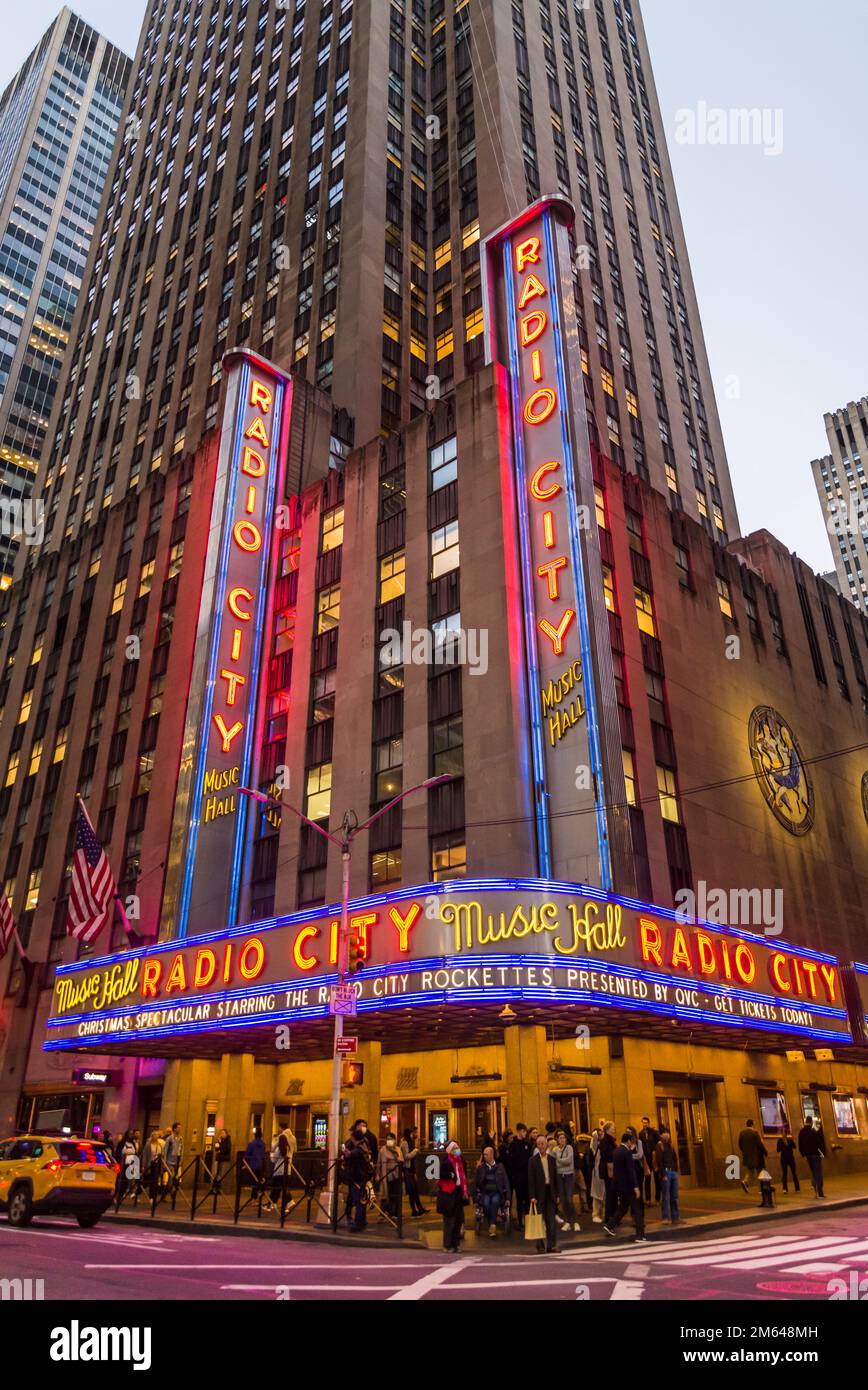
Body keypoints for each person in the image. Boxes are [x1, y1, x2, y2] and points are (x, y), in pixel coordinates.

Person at [604, 1133, 646, 1241]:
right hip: (629, 1186)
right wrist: (636, 1187)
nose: (632, 1143)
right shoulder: (627, 1152)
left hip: (619, 1185)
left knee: (622, 1208)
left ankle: (609, 1225)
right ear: (628, 1141)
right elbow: (630, 1171)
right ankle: (640, 1234)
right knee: (637, 1209)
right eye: (631, 1141)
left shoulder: (616, 1151)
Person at [527, 1133, 560, 1254]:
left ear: (547, 1145)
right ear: (537, 1145)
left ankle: (552, 1245)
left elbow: (555, 1179)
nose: (541, 1146)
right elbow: (530, 1180)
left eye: (543, 1144)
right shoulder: (532, 1161)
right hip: (538, 1194)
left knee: (551, 1220)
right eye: (539, 1144)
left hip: (550, 1192)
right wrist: (532, 1196)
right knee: (539, 1221)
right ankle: (540, 1246)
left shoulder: (552, 1160)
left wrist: (557, 1195)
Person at [437, 1140, 469, 1252]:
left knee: (458, 1220)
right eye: (455, 1148)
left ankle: (456, 1244)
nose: (457, 1150)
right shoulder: (446, 1162)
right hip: (449, 1194)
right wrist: (449, 1175)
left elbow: (464, 1176)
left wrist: (465, 1190)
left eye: (458, 1147)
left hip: (459, 1192)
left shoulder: (461, 1161)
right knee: (449, 1220)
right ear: (450, 1151)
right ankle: (447, 1245)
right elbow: (439, 1175)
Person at [475, 1144, 510, 1236]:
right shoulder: (481, 1167)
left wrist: (508, 1197)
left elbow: (506, 1182)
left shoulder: (500, 1167)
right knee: (486, 1204)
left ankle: (492, 1225)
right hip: (485, 1192)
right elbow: (477, 1183)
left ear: (491, 1155)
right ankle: (492, 1224)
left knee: (495, 1202)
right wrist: (477, 1170)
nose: (484, 1156)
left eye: (486, 1154)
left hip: (497, 1192)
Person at [344, 1130, 375, 1231]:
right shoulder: (364, 1146)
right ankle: (362, 1222)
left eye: (352, 1138)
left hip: (357, 1177)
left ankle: (358, 1224)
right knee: (361, 1200)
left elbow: (350, 1156)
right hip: (363, 1177)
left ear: (355, 1138)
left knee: (358, 1201)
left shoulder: (358, 1149)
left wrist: (346, 1153)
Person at [508, 1124, 533, 1229]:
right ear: (518, 1131)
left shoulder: (528, 1144)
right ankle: (520, 1221)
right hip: (518, 1176)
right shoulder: (513, 1145)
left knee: (528, 1199)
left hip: (527, 1176)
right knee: (519, 1199)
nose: (525, 1133)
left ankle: (528, 1219)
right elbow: (511, 1161)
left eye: (525, 1131)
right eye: (523, 1131)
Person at [554, 1128, 579, 1230]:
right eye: (560, 1138)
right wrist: (560, 1162)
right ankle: (568, 1221)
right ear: (557, 1140)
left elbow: (569, 1161)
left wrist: (558, 1160)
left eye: (564, 1138)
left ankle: (576, 1221)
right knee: (563, 1200)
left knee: (569, 1199)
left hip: (569, 1175)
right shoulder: (555, 1149)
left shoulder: (569, 1148)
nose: (562, 1139)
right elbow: (553, 1162)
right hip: (559, 1176)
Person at [375, 1133, 403, 1220]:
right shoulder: (383, 1150)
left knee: (396, 1194)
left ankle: (394, 1213)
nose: (389, 1140)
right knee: (385, 1194)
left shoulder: (398, 1149)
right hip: (386, 1175)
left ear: (394, 1140)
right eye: (388, 1139)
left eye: (391, 1138)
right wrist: (377, 1174)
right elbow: (379, 1163)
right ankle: (383, 1213)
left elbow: (402, 1160)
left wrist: (398, 1159)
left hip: (396, 1175)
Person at [654, 1127, 679, 1223]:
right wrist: (663, 1174)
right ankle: (665, 1217)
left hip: (673, 1172)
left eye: (667, 1133)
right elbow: (659, 1161)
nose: (666, 1134)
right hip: (666, 1172)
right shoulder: (659, 1145)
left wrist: (676, 1170)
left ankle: (675, 1216)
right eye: (664, 1133)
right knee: (666, 1196)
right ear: (661, 1135)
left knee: (675, 1196)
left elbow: (675, 1158)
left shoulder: (671, 1145)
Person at [270, 1121, 297, 1208]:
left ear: (281, 1128)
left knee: (277, 1185)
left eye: (278, 1127)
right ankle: (273, 1203)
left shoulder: (282, 1137)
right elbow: (295, 1150)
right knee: (281, 1185)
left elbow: (278, 1151)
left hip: (280, 1165)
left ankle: (288, 1201)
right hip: (288, 1164)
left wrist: (272, 1155)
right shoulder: (293, 1137)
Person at [400, 1127, 426, 1217]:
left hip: (411, 1170)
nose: (413, 1134)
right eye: (411, 1133)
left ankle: (420, 1209)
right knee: (412, 1191)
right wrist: (415, 1151)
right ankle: (414, 1211)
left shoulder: (410, 1142)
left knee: (415, 1191)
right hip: (407, 1170)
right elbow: (406, 1156)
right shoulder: (404, 1143)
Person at [798, 1118, 826, 1198]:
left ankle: (815, 1191)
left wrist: (803, 1154)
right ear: (811, 1122)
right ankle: (820, 1192)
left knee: (813, 1172)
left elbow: (800, 1145)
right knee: (818, 1173)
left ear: (805, 1122)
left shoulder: (801, 1132)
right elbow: (818, 1143)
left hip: (808, 1155)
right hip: (815, 1154)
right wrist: (822, 1152)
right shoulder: (813, 1131)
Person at [738, 1119, 767, 1193]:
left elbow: (740, 1144)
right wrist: (765, 1152)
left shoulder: (742, 1133)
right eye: (754, 1124)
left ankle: (745, 1181)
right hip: (756, 1156)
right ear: (751, 1124)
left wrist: (745, 1151)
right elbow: (759, 1144)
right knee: (759, 1172)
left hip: (747, 1156)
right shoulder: (755, 1132)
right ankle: (761, 1189)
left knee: (750, 1171)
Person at [598, 1120, 618, 1226]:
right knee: (610, 1193)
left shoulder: (610, 1139)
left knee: (612, 1193)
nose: (614, 1129)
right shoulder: (605, 1140)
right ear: (607, 1129)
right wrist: (616, 1153)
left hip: (609, 1169)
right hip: (608, 1169)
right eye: (612, 1127)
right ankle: (609, 1217)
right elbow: (605, 1154)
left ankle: (612, 1216)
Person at [638, 1116, 661, 1204]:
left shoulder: (654, 1132)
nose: (645, 1124)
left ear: (648, 1123)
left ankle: (657, 1199)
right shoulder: (640, 1133)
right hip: (646, 1158)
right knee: (647, 1178)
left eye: (646, 1123)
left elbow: (658, 1143)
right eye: (643, 1123)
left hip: (654, 1158)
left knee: (656, 1179)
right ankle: (648, 1199)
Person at [244, 1126, 269, 1207]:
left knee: (254, 1182)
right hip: (260, 1164)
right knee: (258, 1181)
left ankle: (254, 1198)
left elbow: (247, 1154)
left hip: (253, 1165)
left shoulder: (251, 1143)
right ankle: (257, 1197)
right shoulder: (263, 1143)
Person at [141, 1128, 165, 1198]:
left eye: (157, 1135)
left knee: (155, 1181)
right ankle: (138, 1191)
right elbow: (145, 1155)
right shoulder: (148, 1145)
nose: (156, 1136)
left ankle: (152, 1197)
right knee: (147, 1181)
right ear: (152, 1136)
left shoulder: (160, 1145)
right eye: (154, 1135)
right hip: (149, 1165)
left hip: (157, 1165)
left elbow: (162, 1155)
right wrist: (143, 1166)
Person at [776, 1127, 800, 1193]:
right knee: (784, 1173)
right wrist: (784, 1145)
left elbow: (794, 1146)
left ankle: (797, 1188)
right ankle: (785, 1188)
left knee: (794, 1173)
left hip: (790, 1157)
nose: (783, 1134)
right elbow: (778, 1150)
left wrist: (789, 1144)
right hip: (784, 1158)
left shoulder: (789, 1139)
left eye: (784, 1133)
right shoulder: (780, 1141)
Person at [163, 1122, 184, 1192]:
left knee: (175, 1176)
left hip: (177, 1161)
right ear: (174, 1129)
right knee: (171, 1176)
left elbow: (181, 1150)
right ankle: (170, 1189)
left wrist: (181, 1160)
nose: (180, 1129)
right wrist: (165, 1161)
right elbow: (165, 1150)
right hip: (169, 1161)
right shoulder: (169, 1139)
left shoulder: (181, 1139)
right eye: (178, 1128)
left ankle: (166, 1192)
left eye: (180, 1128)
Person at [213, 1128, 232, 1194]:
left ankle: (221, 1189)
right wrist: (218, 1142)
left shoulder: (228, 1141)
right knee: (217, 1174)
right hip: (219, 1159)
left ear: (226, 1134)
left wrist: (220, 1151)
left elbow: (227, 1149)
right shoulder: (220, 1140)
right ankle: (216, 1188)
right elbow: (216, 1148)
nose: (222, 1134)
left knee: (222, 1174)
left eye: (223, 1133)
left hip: (224, 1159)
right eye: (221, 1133)